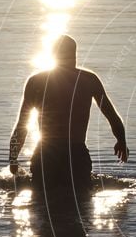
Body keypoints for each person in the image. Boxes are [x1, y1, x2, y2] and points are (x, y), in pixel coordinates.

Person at [9, 35, 128, 189]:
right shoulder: (89, 80)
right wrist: (121, 141)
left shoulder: (35, 82)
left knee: (42, 204)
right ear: (74, 54)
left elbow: (22, 126)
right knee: (80, 206)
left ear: (52, 55)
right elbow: (112, 117)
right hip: (75, 155)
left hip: (46, 155)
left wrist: (13, 158)